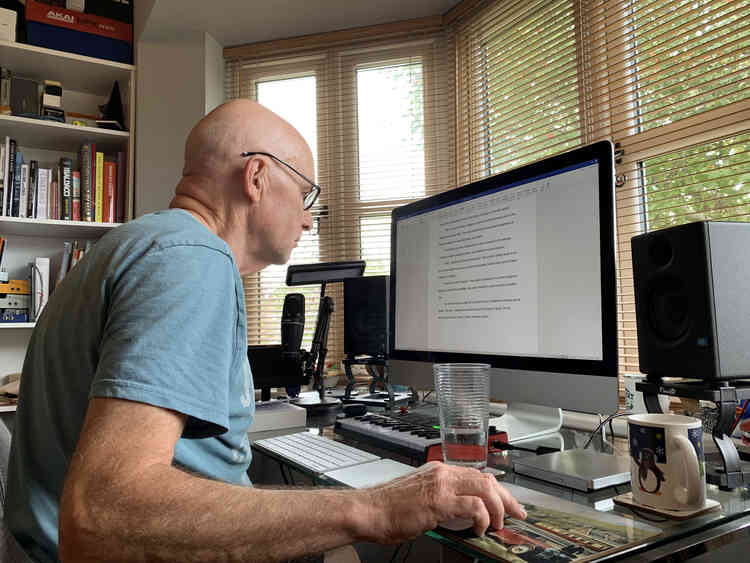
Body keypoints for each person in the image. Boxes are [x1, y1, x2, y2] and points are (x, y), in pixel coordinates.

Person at [5, 99, 526, 563]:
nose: (307, 221)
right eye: (306, 195)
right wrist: (373, 506)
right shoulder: (193, 259)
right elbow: (102, 514)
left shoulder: (133, 245)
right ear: (256, 177)